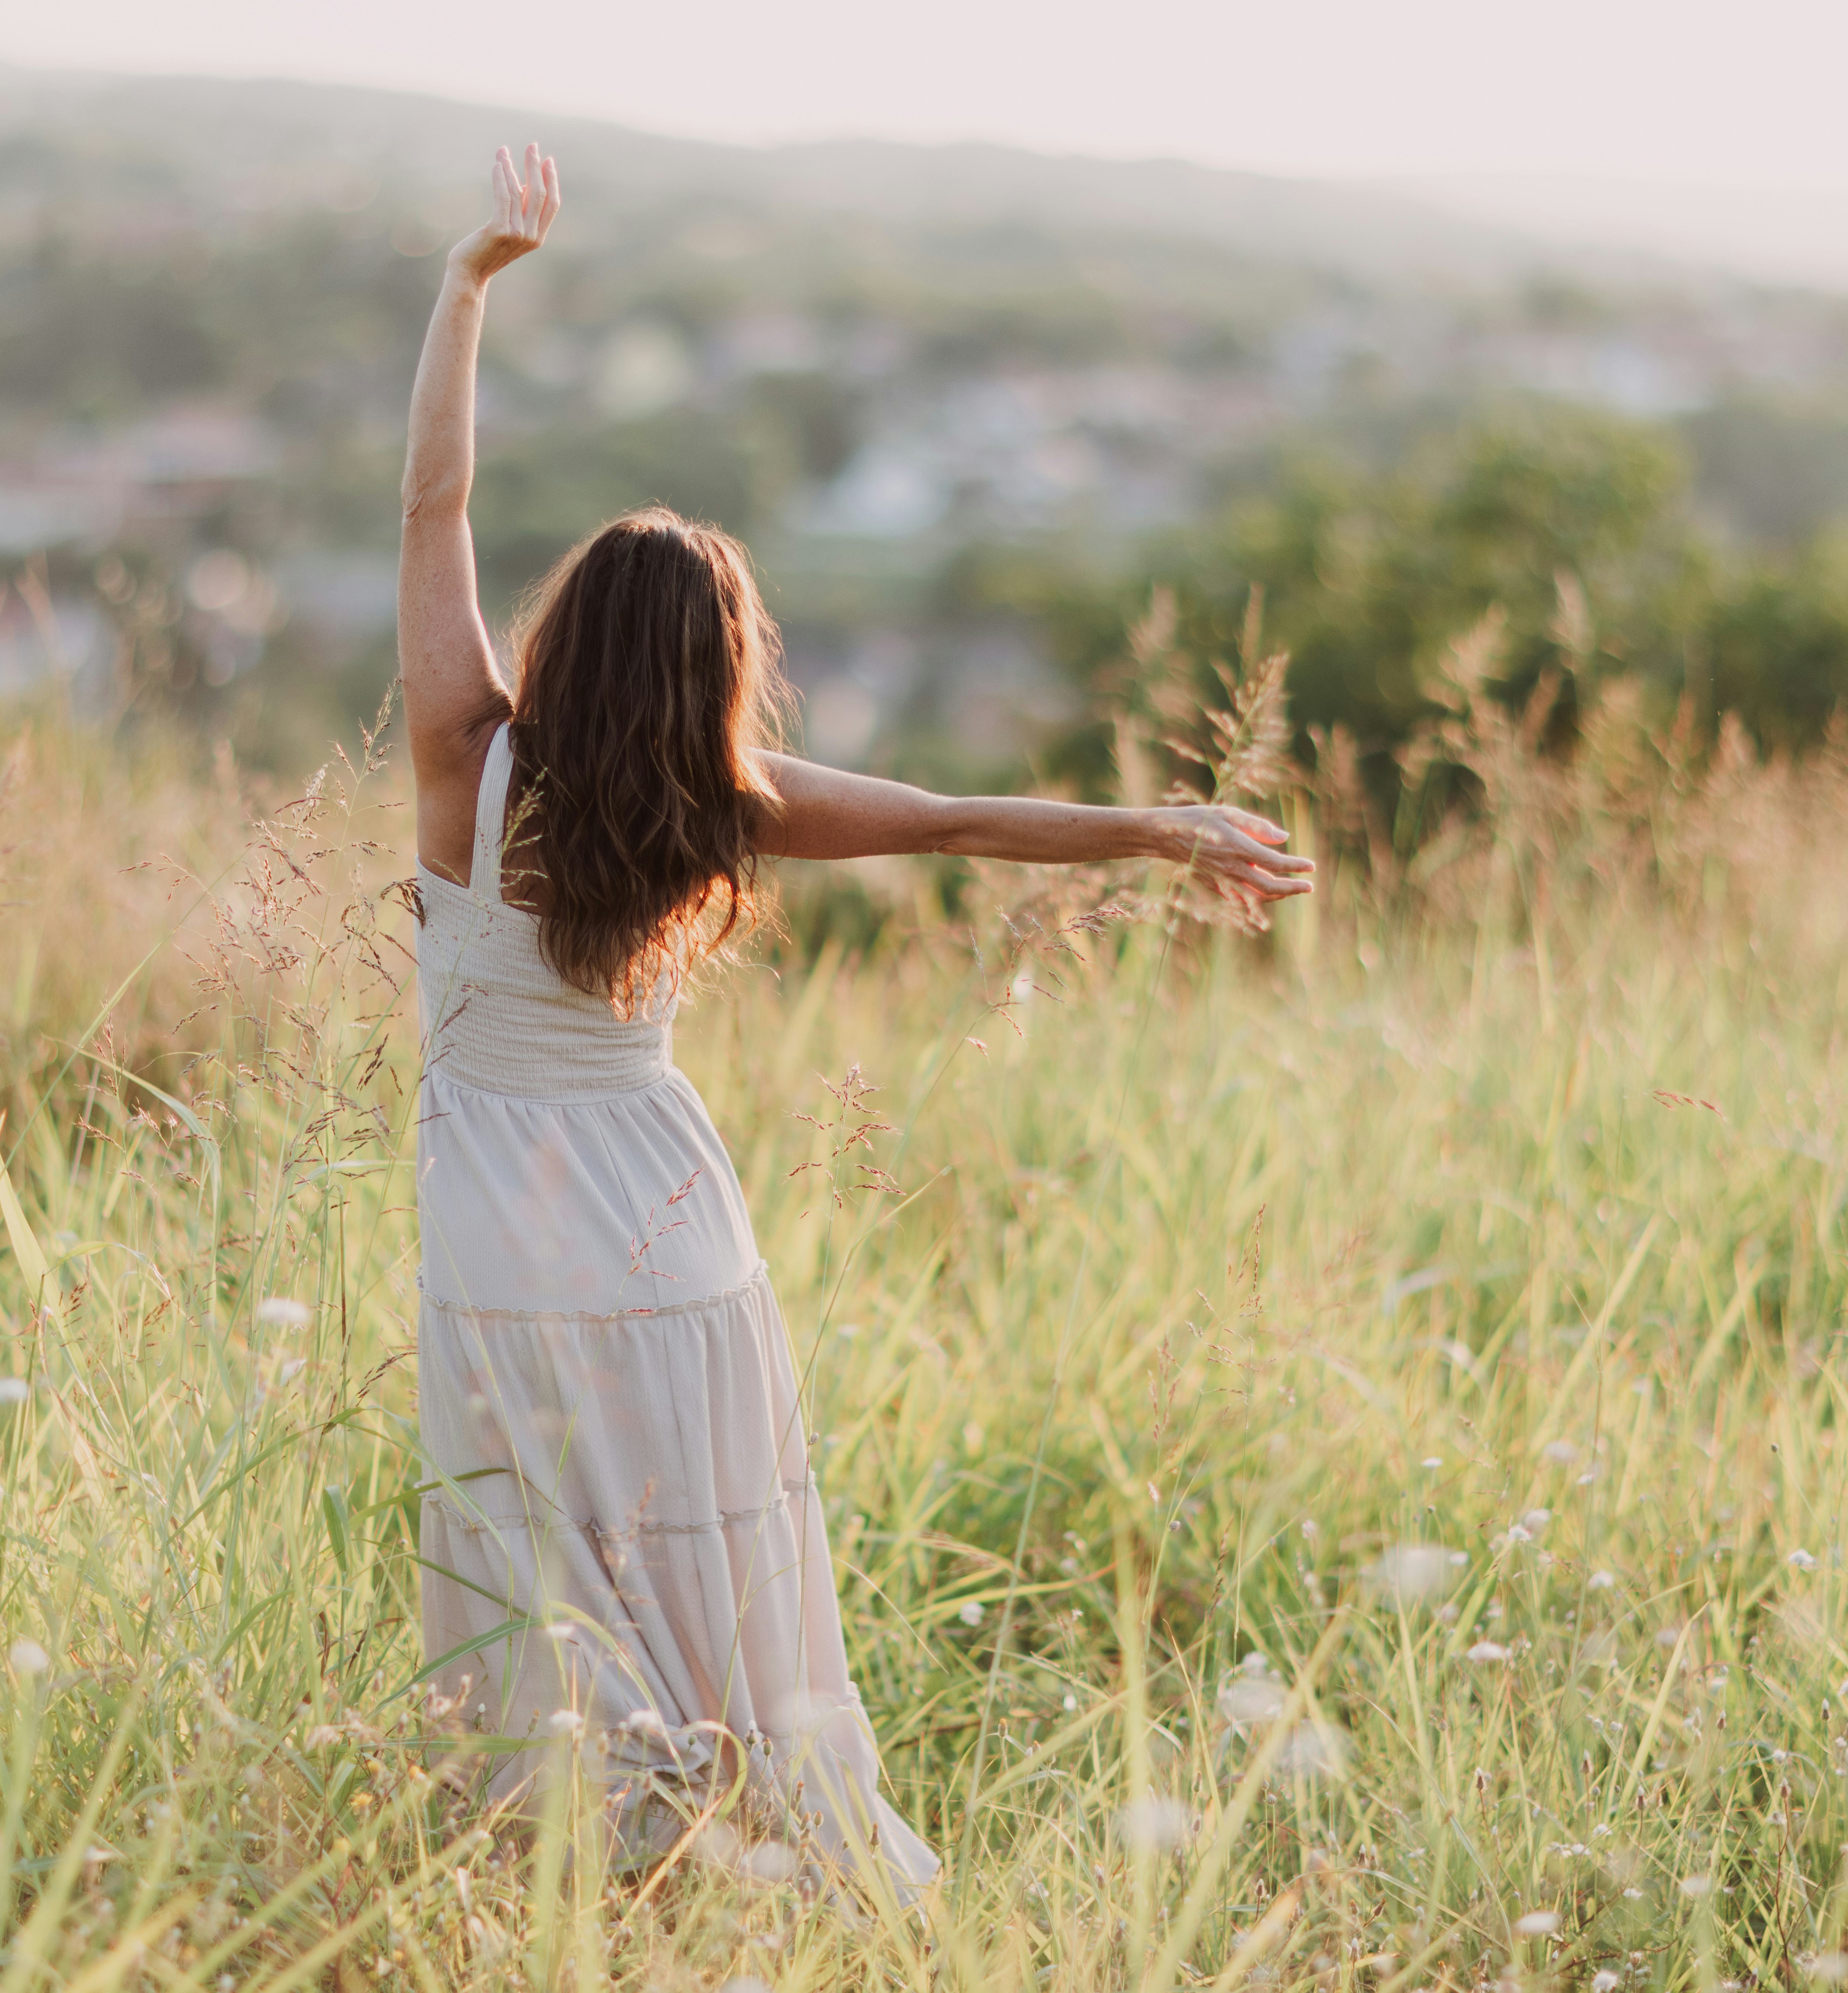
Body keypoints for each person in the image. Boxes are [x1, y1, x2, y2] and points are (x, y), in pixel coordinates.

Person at [398, 144, 1312, 1898]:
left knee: (540, 1556)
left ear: (568, 637)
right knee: (697, 1547)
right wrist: (1163, 827)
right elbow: (963, 818)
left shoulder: (467, 757)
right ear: (716, 669)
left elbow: (433, 507)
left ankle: (622, 1846)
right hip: (670, 1236)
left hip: (501, 1243)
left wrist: (466, 284)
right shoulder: (726, 802)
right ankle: (752, 1836)